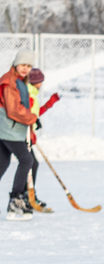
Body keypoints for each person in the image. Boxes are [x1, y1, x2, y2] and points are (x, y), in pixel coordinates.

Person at [1, 50, 38, 221]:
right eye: (23, 65)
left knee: (2, 163)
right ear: (16, 64)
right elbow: (13, 110)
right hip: (9, 130)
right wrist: (32, 118)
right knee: (27, 160)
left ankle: (17, 200)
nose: (25, 68)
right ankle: (16, 201)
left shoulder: (18, 81)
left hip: (10, 129)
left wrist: (31, 119)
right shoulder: (10, 82)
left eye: (29, 66)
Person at [25, 68, 58, 211]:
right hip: (22, 135)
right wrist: (31, 127)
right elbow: (24, 115)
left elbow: (35, 113)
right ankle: (25, 196)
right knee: (30, 164)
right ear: (35, 82)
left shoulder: (32, 94)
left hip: (27, 134)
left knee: (31, 164)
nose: (41, 84)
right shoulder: (28, 95)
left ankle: (27, 195)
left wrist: (49, 104)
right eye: (40, 82)